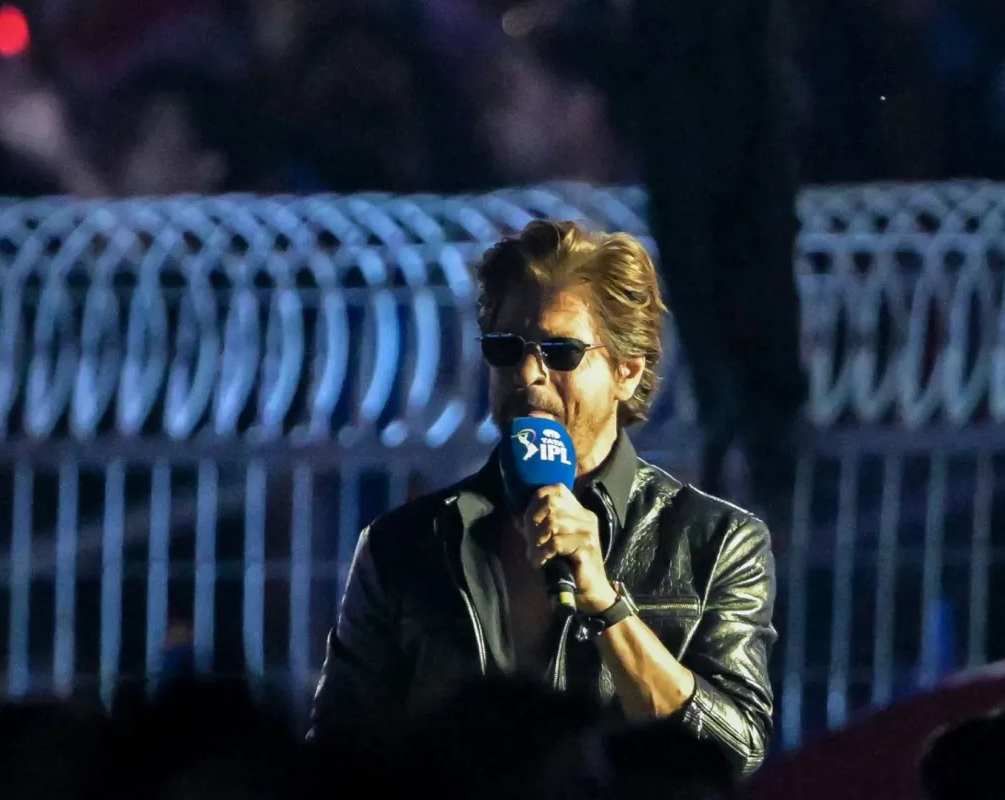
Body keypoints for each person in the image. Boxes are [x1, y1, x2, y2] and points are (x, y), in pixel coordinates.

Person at [308, 220, 777, 776]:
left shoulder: (718, 542)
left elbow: (736, 753)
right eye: (506, 348)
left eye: (561, 352)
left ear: (627, 371)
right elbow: (335, 758)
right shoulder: (401, 545)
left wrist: (606, 606)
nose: (528, 373)